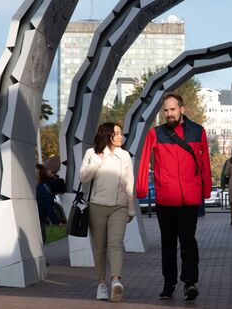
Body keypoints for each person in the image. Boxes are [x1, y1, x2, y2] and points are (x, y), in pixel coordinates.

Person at [136, 93, 212, 302]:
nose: (169, 114)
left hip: (189, 198)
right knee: (168, 243)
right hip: (165, 198)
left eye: (172, 109)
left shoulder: (198, 132)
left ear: (182, 109)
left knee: (188, 241)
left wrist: (206, 189)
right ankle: (168, 283)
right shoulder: (155, 133)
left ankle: (190, 283)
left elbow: (205, 162)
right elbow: (143, 161)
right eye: (166, 110)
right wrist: (141, 189)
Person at [79, 122, 136, 302]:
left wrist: (131, 208)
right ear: (107, 135)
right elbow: (83, 177)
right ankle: (101, 284)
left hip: (119, 206)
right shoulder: (92, 153)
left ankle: (115, 281)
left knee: (116, 244)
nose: (121, 137)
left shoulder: (125, 155)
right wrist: (98, 159)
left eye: (121, 133)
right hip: (97, 206)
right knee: (100, 248)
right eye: (117, 133)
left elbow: (130, 182)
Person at [35, 164, 63, 246]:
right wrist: (58, 222)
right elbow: (48, 209)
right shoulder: (44, 189)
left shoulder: (41, 187)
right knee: (41, 240)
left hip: (38, 218)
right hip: (39, 219)